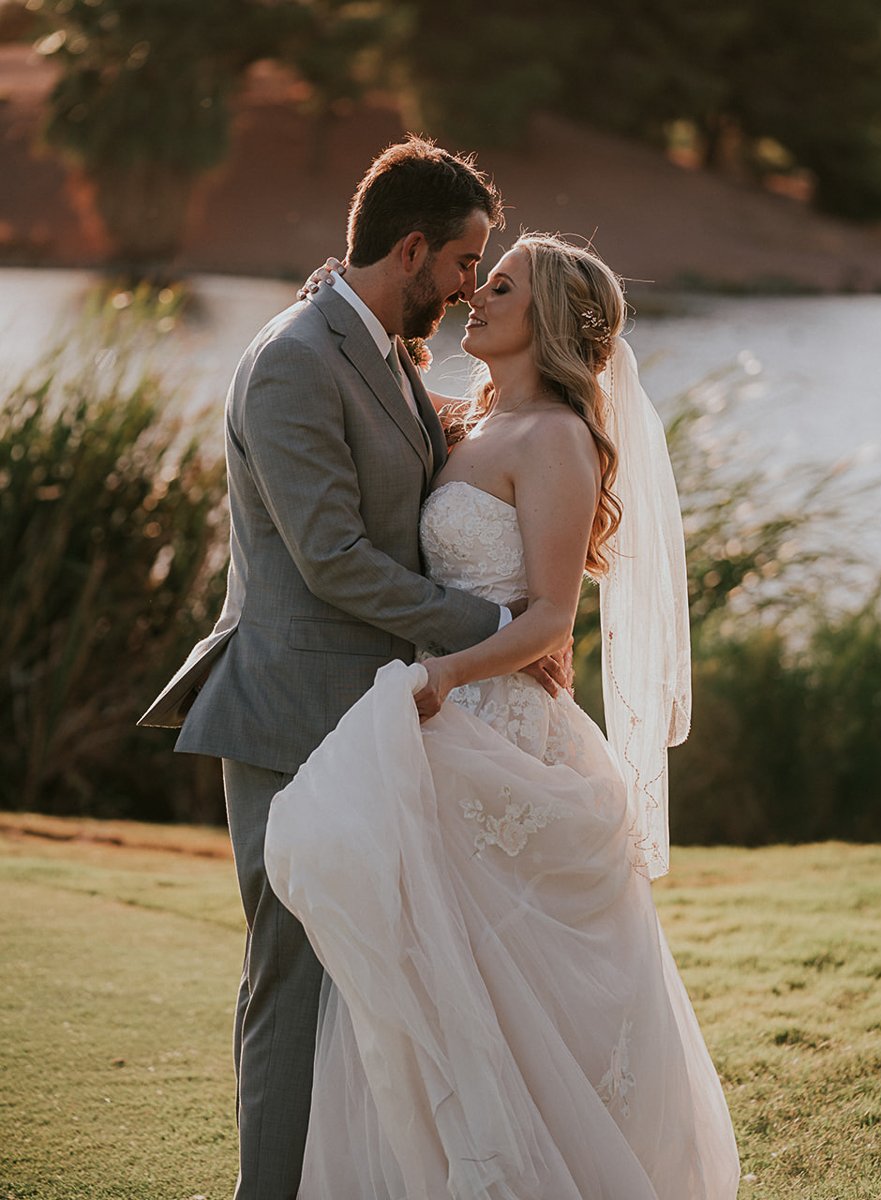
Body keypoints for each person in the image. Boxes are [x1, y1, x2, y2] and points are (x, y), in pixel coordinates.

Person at [264, 234, 742, 1198]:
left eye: (499, 285)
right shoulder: (468, 423)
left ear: (549, 320)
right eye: (478, 278)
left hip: (500, 728)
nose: (473, 296)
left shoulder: (559, 438)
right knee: (428, 975)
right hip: (444, 729)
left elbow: (553, 621)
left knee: (501, 984)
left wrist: (443, 675)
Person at [138, 138, 566, 1200]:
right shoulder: (293, 357)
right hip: (291, 716)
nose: (472, 284)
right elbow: (329, 557)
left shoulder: (376, 346)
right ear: (413, 250)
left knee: (382, 980)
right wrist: (493, 621)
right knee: (292, 978)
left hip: (384, 718)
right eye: (467, 262)